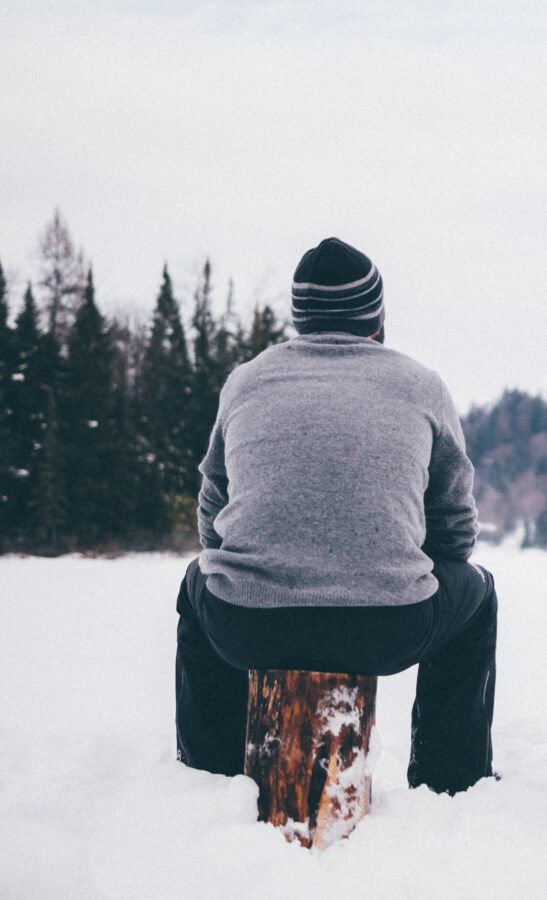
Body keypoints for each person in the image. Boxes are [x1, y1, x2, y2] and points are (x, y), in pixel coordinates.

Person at [174, 237, 497, 795]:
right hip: (387, 627)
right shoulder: (420, 384)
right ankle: (449, 779)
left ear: (299, 317)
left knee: (200, 583)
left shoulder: (248, 380)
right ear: (376, 315)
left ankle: (211, 776)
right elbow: (456, 530)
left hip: (250, 626)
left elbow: (212, 515)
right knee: (477, 595)